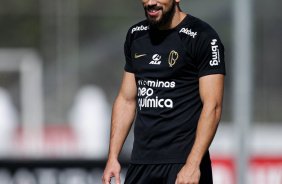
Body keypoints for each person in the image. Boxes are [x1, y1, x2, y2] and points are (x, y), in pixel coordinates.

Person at [102, 0, 225, 183]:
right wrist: (112, 157)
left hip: (182, 165)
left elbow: (213, 106)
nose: (151, 2)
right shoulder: (135, 35)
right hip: (141, 164)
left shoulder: (203, 37)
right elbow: (126, 100)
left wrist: (193, 164)